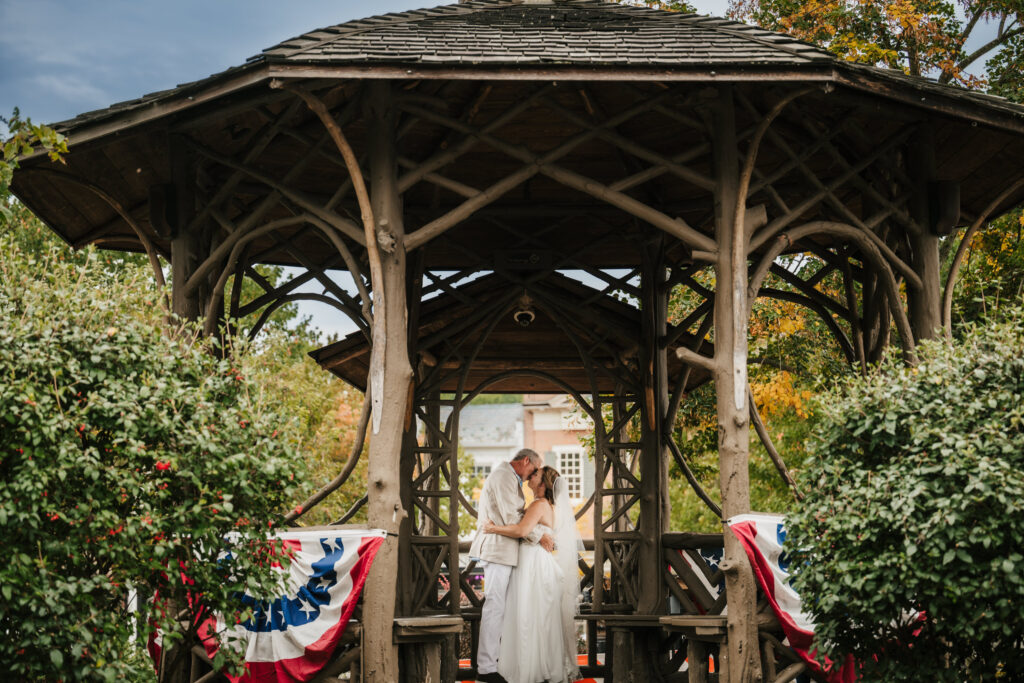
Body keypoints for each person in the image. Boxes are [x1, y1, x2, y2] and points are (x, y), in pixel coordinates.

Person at [483, 466, 583, 683]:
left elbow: (520, 531)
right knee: (539, 617)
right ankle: (544, 668)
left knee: (528, 616)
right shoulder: (548, 506)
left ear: (543, 483)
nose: (531, 475)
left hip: (532, 564)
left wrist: (493, 529)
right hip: (539, 562)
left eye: (536, 474)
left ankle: (530, 671)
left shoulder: (539, 504)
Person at [469, 449, 554, 683]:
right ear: (525, 461)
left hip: (506, 552)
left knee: (502, 609)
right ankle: (485, 669)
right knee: (494, 607)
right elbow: (510, 518)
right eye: (534, 469)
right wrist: (539, 536)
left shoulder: (510, 478)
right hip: (498, 551)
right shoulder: (503, 476)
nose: (533, 475)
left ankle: (497, 663)